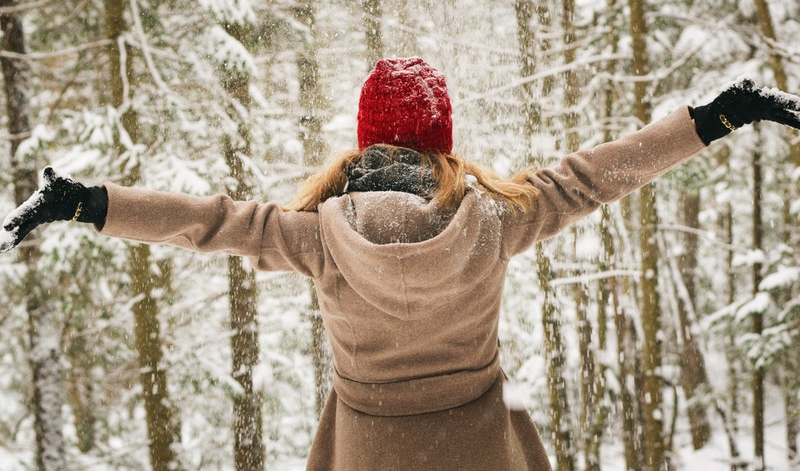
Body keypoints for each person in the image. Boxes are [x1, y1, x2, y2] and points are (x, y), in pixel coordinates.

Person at [2, 57, 800, 470]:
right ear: (442, 140)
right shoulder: (495, 220)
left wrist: (87, 202)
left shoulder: (315, 236)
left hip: (368, 455)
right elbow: (599, 175)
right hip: (485, 452)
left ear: (364, 141)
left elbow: (208, 224)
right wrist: (718, 117)